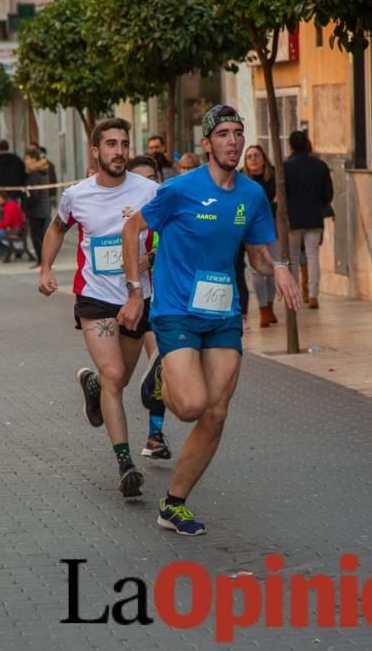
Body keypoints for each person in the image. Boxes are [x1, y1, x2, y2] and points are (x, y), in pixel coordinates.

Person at [118, 104, 302, 535]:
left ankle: (174, 504)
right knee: (190, 406)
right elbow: (132, 231)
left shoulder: (252, 195)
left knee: (216, 413)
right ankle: (161, 373)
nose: (234, 141)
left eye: (238, 132)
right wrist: (132, 291)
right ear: (206, 144)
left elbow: (257, 256)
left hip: (223, 313)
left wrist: (277, 266)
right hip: (177, 310)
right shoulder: (180, 189)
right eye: (223, 134)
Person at [38, 117, 159, 499]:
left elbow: (170, 234)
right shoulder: (77, 195)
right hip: (94, 297)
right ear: (96, 151)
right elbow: (57, 228)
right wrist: (45, 269)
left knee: (118, 379)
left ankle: (93, 387)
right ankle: (125, 464)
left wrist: (151, 257)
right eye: (111, 144)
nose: (119, 151)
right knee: (113, 372)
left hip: (136, 297)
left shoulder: (151, 191)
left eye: (124, 143)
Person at [126, 154, 172, 459]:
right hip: (124, 301)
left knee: (160, 367)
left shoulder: (169, 208)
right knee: (117, 375)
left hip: (161, 301)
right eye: (140, 179)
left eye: (151, 178)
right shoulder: (124, 217)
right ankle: (98, 393)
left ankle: (155, 436)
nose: (148, 185)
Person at [284, 130, 333, 310]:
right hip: (314, 215)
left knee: (294, 257)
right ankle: (313, 294)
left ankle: (295, 294)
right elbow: (328, 194)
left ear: (291, 145)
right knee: (313, 256)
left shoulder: (286, 166)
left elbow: (283, 193)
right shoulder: (320, 166)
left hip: (293, 217)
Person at [242, 144, 280, 327]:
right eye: (249, 157)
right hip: (251, 229)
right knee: (256, 270)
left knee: (274, 268)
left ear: (263, 157)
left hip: (272, 228)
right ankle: (263, 309)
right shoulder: (241, 178)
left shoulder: (274, 176)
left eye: (256, 155)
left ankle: (270, 306)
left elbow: (278, 203)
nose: (253, 159)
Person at [22, 146, 58, 268]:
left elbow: (33, 195)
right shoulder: (42, 172)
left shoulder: (35, 175)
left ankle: (42, 262)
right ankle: (44, 262)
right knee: (42, 237)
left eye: (27, 158)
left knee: (38, 237)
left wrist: (25, 205)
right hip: (43, 209)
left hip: (36, 210)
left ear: (33, 159)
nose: (25, 161)